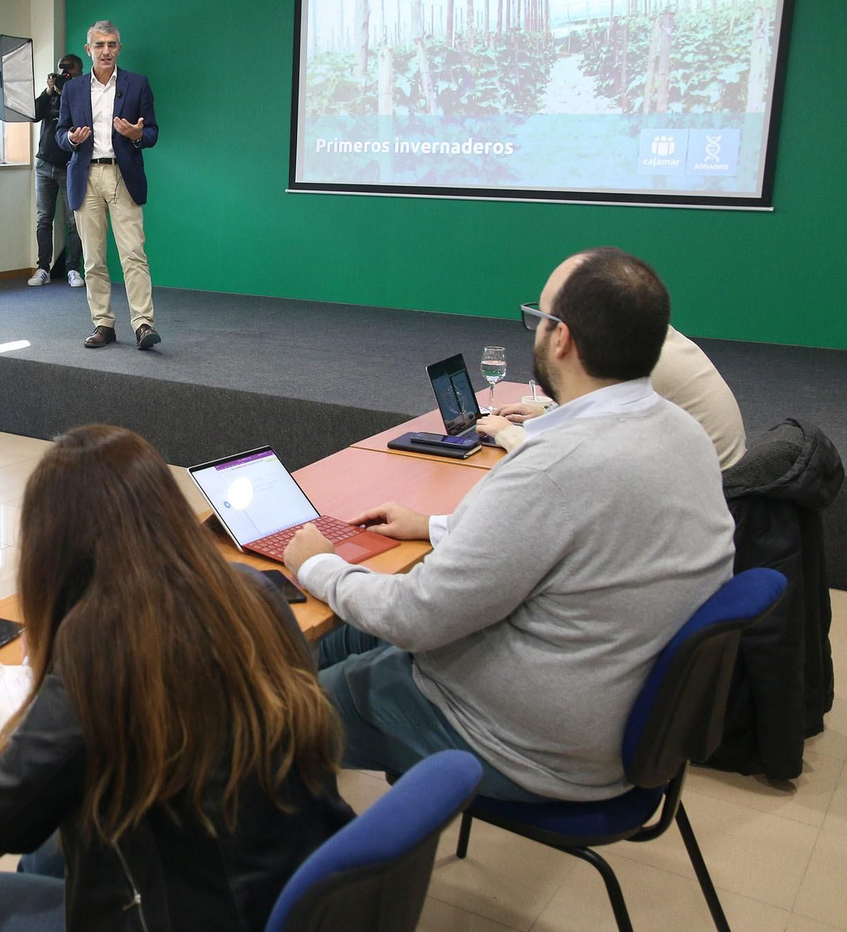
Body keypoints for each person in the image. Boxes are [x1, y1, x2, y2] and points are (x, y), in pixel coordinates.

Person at [285, 248, 735, 803]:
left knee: (268, 718)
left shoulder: (554, 467)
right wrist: (433, 528)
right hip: (610, 714)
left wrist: (316, 565)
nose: (535, 333)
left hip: (521, 742)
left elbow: (416, 616)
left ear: (562, 339)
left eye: (538, 319)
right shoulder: (683, 435)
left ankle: (278, 811)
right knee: (346, 635)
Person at [0, 425, 353, 932]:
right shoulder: (253, 592)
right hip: (297, 890)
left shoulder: (98, 641)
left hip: (194, 911)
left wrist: (44, 684)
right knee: (53, 851)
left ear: (53, 551)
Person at [479, 326, 747, 469]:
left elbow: (564, 460)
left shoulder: (635, 363)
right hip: (712, 492)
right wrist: (547, 413)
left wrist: (506, 433)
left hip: (694, 503)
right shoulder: (654, 340)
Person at [57, 20, 161, 352]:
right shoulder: (73, 89)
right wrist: (71, 138)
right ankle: (103, 324)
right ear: (88, 50)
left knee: (134, 254)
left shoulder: (137, 84)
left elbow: (153, 132)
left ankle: (143, 324)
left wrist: (137, 135)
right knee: (93, 259)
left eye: (112, 44)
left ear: (119, 48)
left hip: (122, 174)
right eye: (99, 45)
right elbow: (59, 133)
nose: (106, 51)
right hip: (85, 175)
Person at [28, 53, 85, 290]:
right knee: (44, 219)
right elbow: (33, 113)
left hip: (69, 166)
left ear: (80, 72)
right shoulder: (53, 93)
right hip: (44, 164)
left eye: (70, 71)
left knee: (74, 220)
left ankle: (73, 269)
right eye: (62, 71)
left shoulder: (82, 94)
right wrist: (49, 92)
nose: (65, 75)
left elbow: (83, 119)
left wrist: (67, 94)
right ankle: (43, 268)